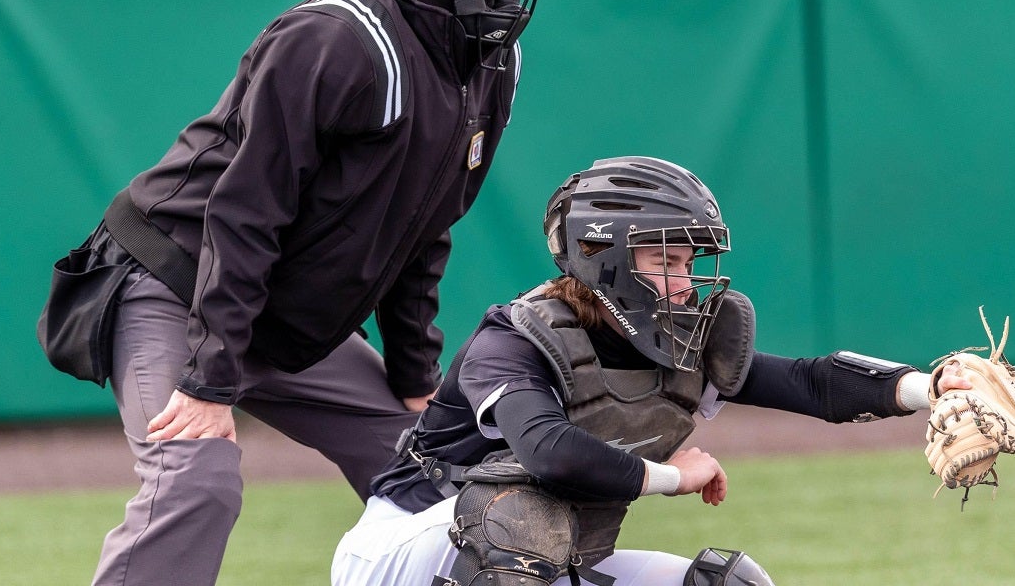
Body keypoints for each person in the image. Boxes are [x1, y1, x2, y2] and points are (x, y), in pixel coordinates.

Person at [38, 0, 548, 585]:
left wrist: (413, 375)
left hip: (270, 306)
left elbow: (425, 222)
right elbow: (244, 214)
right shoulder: (336, 39)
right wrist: (210, 382)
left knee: (443, 478)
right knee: (196, 482)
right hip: (173, 283)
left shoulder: (490, 62)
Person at [331, 156, 974, 586]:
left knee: (729, 583)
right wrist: (671, 476)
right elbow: (548, 453)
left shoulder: (674, 340)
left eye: (687, 261)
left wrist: (930, 387)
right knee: (515, 518)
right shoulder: (515, 338)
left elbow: (807, 381)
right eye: (664, 259)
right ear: (600, 256)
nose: (685, 282)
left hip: (543, 558)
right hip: (402, 554)